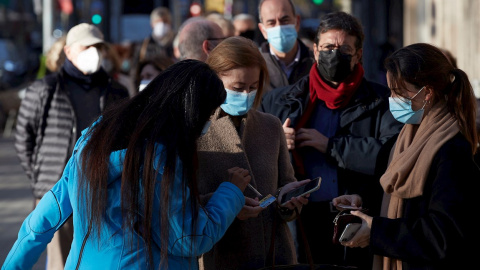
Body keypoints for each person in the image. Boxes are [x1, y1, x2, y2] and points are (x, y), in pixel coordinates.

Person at [2, 59, 252, 270]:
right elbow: (188, 238)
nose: (207, 124)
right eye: (208, 114)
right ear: (190, 111)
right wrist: (229, 193)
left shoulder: (94, 139)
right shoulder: (160, 158)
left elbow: (43, 219)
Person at [259, 11, 403, 268]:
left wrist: (330, 145)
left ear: (358, 54)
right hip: (299, 219)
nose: (334, 54)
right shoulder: (279, 101)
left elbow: (391, 154)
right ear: (314, 51)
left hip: (355, 217)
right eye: (327, 47)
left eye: (344, 49)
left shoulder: (382, 101)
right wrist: (278, 142)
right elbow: (257, 158)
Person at [332, 43, 480, 270]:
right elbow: (397, 198)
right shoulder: (405, 137)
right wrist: (364, 204)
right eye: (390, 90)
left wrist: (377, 233)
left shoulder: (451, 150)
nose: (391, 99)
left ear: (427, 93)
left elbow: (442, 236)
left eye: (398, 92)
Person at [13, 23, 129, 270]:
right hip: (55, 190)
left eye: (99, 47)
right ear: (68, 51)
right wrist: (39, 178)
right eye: (87, 46)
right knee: (58, 262)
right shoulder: (46, 88)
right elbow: (24, 136)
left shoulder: (116, 92)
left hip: (102, 191)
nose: (95, 52)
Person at [199, 36, 309, 270]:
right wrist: (226, 205)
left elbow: (285, 184)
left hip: (275, 256)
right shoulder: (196, 131)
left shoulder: (271, 126)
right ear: (215, 79)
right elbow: (181, 204)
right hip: (220, 257)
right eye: (238, 88)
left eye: (253, 87)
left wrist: (289, 201)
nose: (246, 94)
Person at [257, 0, 314, 92]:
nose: (279, 27)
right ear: (263, 30)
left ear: (297, 22)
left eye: (285, 20)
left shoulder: (316, 63)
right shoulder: (253, 65)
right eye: (271, 23)